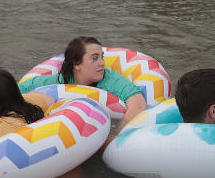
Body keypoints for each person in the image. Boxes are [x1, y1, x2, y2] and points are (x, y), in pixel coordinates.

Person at [18, 36, 147, 131]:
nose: (102, 63)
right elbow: (15, 91)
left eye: (102, 57)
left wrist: (116, 135)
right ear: (76, 63)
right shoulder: (56, 82)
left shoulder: (111, 80)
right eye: (95, 58)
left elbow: (139, 106)